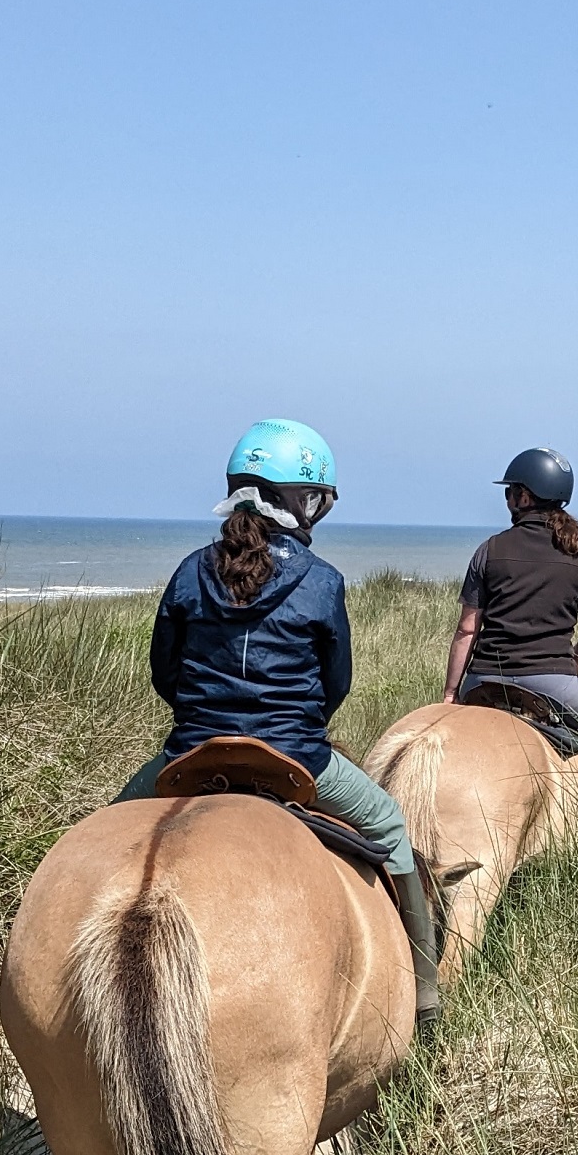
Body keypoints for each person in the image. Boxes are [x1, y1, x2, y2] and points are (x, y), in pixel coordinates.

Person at [116, 418, 442, 1030]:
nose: (315, 511)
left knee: (103, 828)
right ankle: (425, 992)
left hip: (194, 753)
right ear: (294, 501)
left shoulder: (189, 571)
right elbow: (335, 681)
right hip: (293, 756)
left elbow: (165, 673)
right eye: (313, 499)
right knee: (391, 829)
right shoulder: (323, 581)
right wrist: (293, 724)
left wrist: (207, 717)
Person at [441, 448, 578, 755]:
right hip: (551, 682)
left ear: (525, 498)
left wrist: (452, 692)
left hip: (482, 679)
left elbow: (468, 629)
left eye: (510, 491)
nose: (507, 499)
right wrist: (572, 659)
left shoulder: (488, 550)